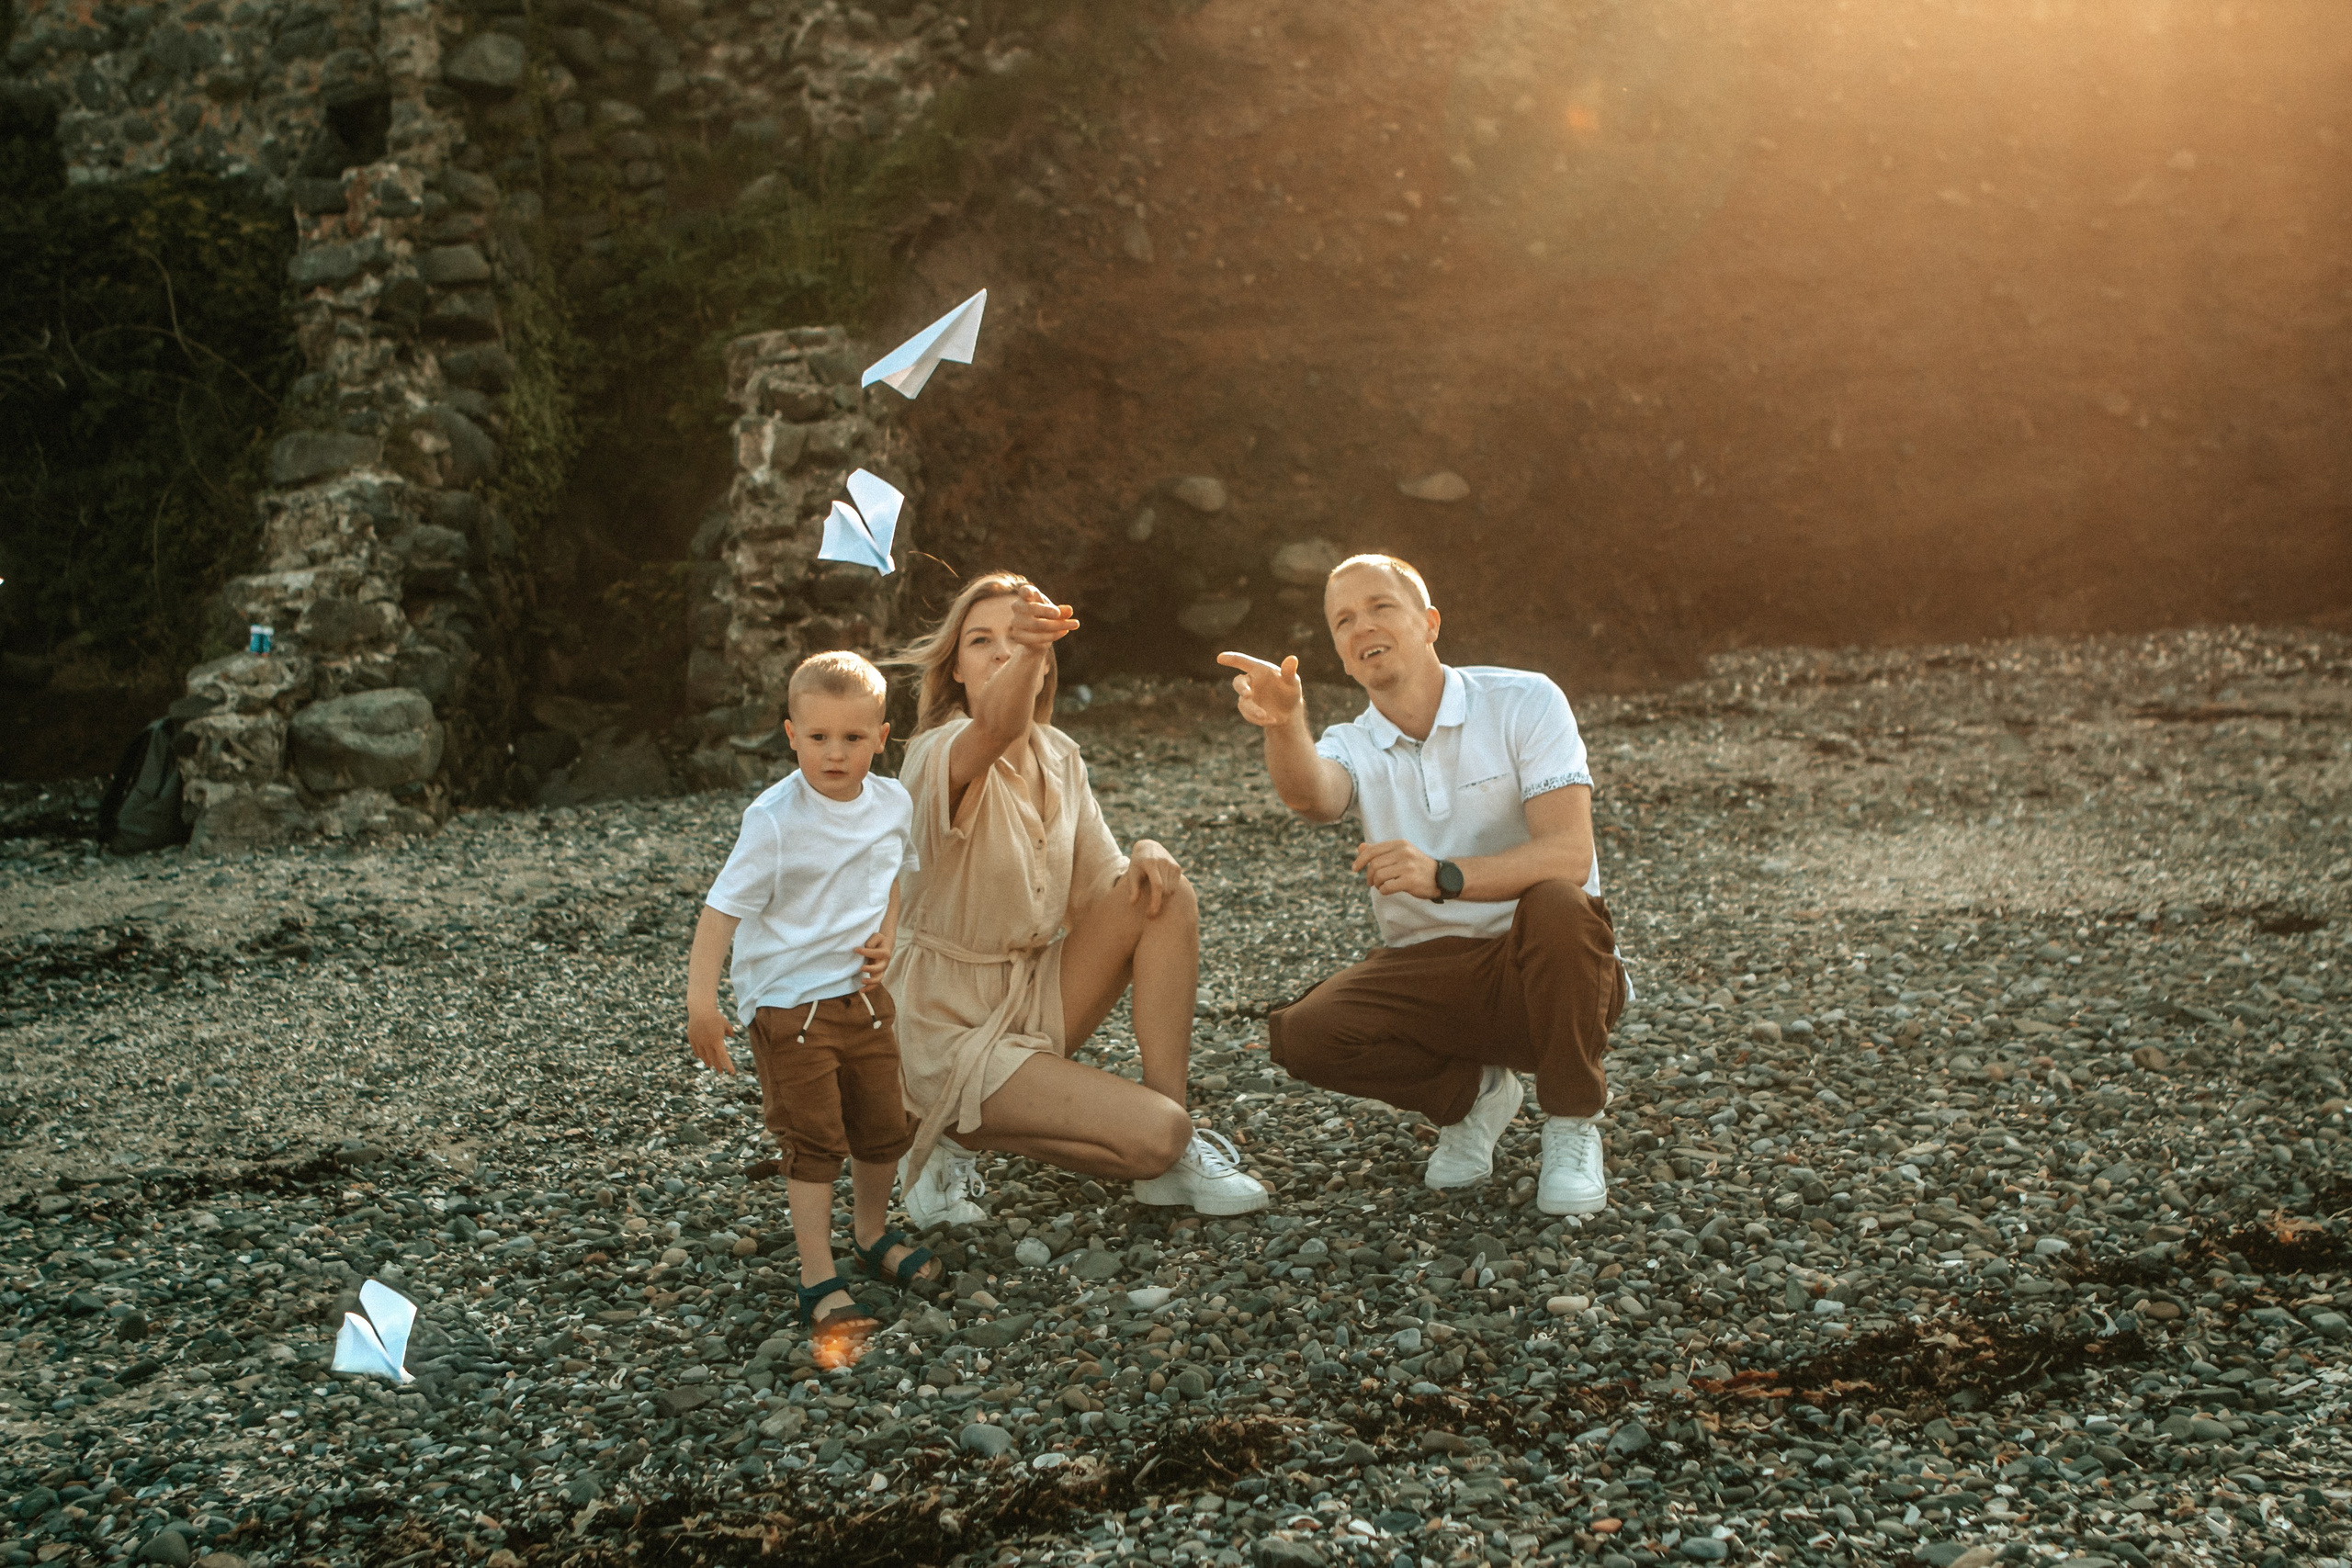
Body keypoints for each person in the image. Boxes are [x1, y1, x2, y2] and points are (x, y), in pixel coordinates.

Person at [1218, 553, 1627, 1216]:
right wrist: (1284, 722)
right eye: (1344, 620)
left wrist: (1443, 877)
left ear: (1429, 622)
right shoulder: (1354, 742)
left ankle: (1573, 1124)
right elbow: (1313, 796)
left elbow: (1569, 851)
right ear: (1344, 660)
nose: (1362, 625)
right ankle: (1473, 1097)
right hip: (1433, 976)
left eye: (1381, 606)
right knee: (1303, 1032)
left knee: (1559, 902)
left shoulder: (1524, 700)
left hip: (1551, 970)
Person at [884, 571, 1269, 1227]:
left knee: (1164, 895)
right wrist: (1030, 647)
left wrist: (1147, 845)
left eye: (1020, 639)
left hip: (1027, 996)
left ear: (1046, 666)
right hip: (941, 1022)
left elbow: (1107, 893)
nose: (1002, 651)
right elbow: (997, 724)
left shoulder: (1060, 753)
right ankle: (939, 1131)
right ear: (955, 670)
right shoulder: (938, 752)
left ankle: (1173, 1152)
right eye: (981, 641)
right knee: (1155, 1134)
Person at [684, 650, 941, 1341]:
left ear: (881, 738)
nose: (835, 753)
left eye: (853, 738)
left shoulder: (892, 802)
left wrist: (886, 938)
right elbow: (720, 912)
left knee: (883, 1126)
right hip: (790, 1007)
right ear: (791, 734)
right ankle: (816, 1275)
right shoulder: (774, 820)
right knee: (815, 1140)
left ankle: (870, 1232)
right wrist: (701, 1003)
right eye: (818, 737)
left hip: (861, 997)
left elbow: (891, 876)